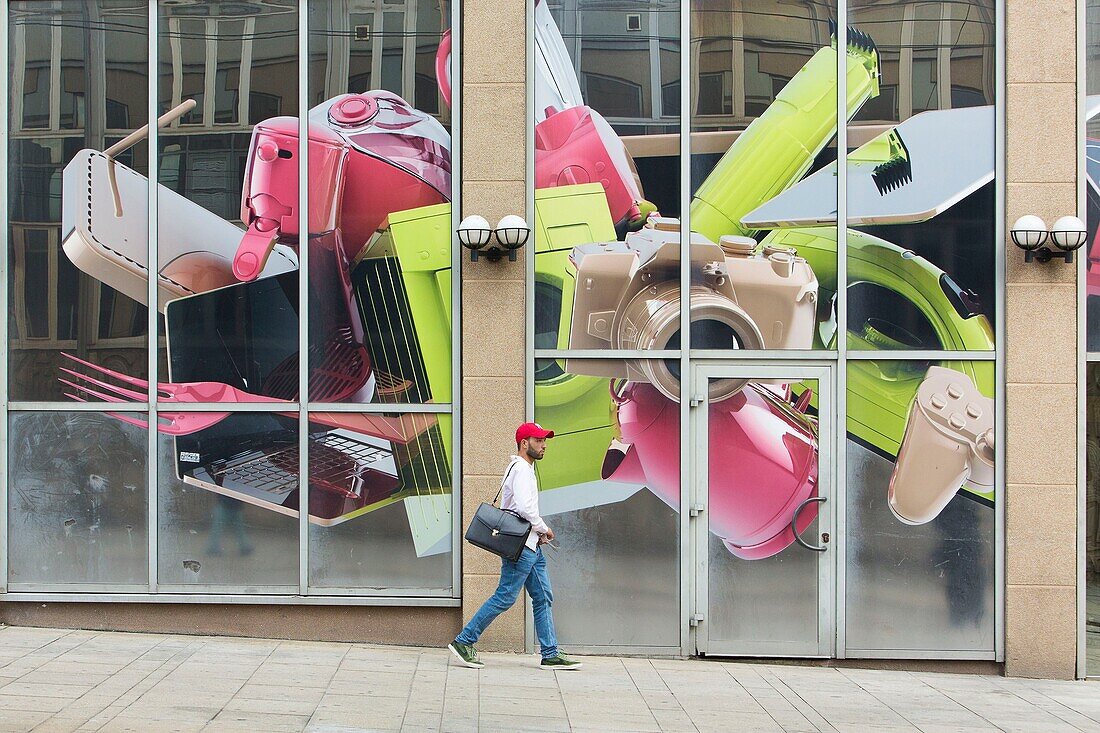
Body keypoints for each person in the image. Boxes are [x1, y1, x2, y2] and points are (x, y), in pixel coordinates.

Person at [448, 423, 582, 670]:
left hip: (531, 545)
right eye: (539, 440)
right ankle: (464, 641)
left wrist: (537, 534)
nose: (544, 446)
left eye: (544, 441)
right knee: (505, 597)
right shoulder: (521, 469)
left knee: (542, 596)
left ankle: (550, 652)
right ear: (524, 443)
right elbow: (524, 508)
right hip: (521, 549)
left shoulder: (522, 468)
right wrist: (544, 528)